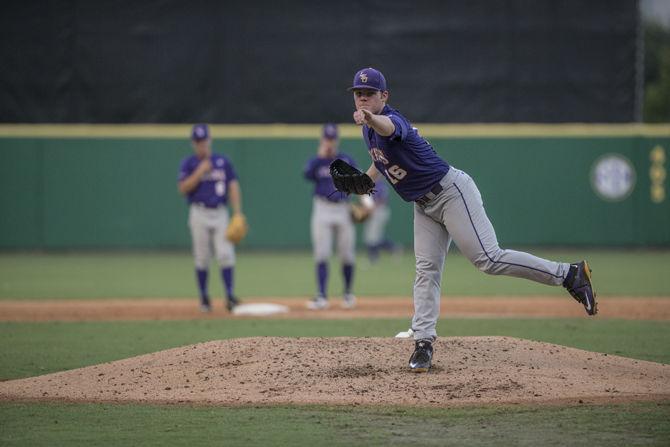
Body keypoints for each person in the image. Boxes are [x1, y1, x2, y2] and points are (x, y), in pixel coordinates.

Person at [346, 67, 597, 372]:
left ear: (384, 96)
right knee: (426, 270)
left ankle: (568, 274)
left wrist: (371, 117)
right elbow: (380, 159)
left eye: (369, 93)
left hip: (451, 193)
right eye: (359, 94)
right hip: (422, 205)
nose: (362, 98)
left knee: (488, 259)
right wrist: (367, 179)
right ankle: (423, 343)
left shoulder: (390, 120)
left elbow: (388, 129)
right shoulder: (367, 129)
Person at [177, 124, 243, 313]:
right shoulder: (188, 164)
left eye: (204, 141)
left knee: (225, 254)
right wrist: (200, 171)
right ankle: (204, 298)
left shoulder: (222, 161)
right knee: (202, 257)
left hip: (220, 212)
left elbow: (233, 185)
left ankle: (230, 296)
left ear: (209, 140)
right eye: (198, 142)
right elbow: (182, 189)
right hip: (199, 213)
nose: (201, 145)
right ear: (193, 143)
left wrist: (237, 212)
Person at [303, 123, 357, 310]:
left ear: (337, 140)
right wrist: (320, 157)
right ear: (322, 139)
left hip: (342, 208)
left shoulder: (345, 160)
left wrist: (364, 205)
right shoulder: (316, 161)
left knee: (347, 253)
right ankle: (322, 295)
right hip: (322, 208)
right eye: (327, 138)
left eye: (332, 139)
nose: (329, 142)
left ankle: (348, 293)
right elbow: (307, 174)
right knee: (322, 253)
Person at [363, 177, 397, 263]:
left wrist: (372, 208)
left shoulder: (380, 185)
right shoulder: (369, 185)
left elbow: (382, 199)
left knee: (373, 236)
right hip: (372, 212)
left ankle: (375, 257)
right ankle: (392, 248)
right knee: (373, 236)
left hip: (380, 211)